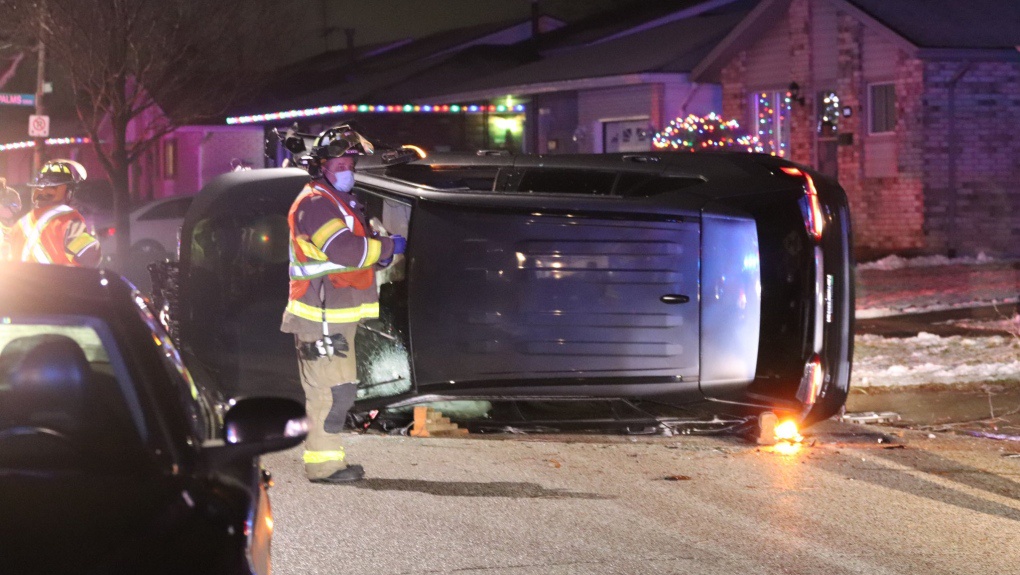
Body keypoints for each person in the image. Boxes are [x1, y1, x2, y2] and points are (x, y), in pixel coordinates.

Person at [280, 124, 406, 484]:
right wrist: (386, 248)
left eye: (350, 163)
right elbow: (346, 250)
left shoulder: (338, 201)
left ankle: (330, 461)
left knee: (338, 391)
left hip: (333, 315)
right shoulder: (316, 205)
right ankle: (323, 465)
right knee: (329, 394)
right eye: (339, 165)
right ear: (321, 167)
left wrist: (379, 252)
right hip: (318, 316)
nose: (347, 170)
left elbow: (358, 251)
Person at [5, 160, 100, 267]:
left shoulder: (20, 225)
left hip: (22, 284)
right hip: (59, 283)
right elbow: (90, 255)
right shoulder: (67, 220)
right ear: (68, 193)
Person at [0, 177, 22, 260]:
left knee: (9, 241)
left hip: (9, 221)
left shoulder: (12, 193)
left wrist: (9, 205)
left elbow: (18, 206)